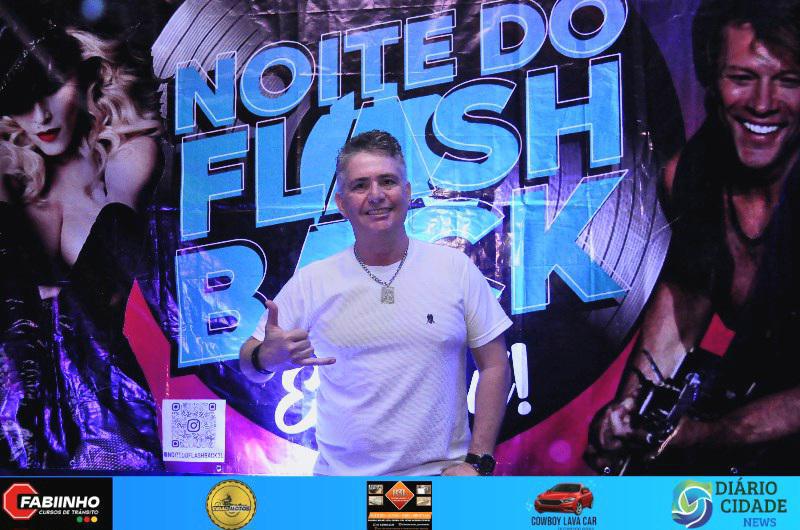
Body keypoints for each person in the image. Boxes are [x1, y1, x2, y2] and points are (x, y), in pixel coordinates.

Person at [586, 0, 800, 474]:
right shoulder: (693, 174)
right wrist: (627, 414)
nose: (763, 103)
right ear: (711, 79)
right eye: (742, 77)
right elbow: (684, 297)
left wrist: (717, 433)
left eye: (788, 80)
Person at [240, 130, 512, 476]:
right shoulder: (314, 280)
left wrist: (478, 460)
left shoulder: (455, 269)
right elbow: (249, 363)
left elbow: (495, 364)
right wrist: (266, 357)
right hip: (341, 486)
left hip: (438, 482)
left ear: (407, 192)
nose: (376, 195)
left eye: (387, 181)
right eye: (360, 185)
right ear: (342, 203)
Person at [0, 8, 163, 470]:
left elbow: (109, 279)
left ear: (86, 74)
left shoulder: (129, 155)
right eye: (19, 101)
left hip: (107, 401)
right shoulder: (11, 170)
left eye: (52, 87)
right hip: (19, 407)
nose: (39, 116)